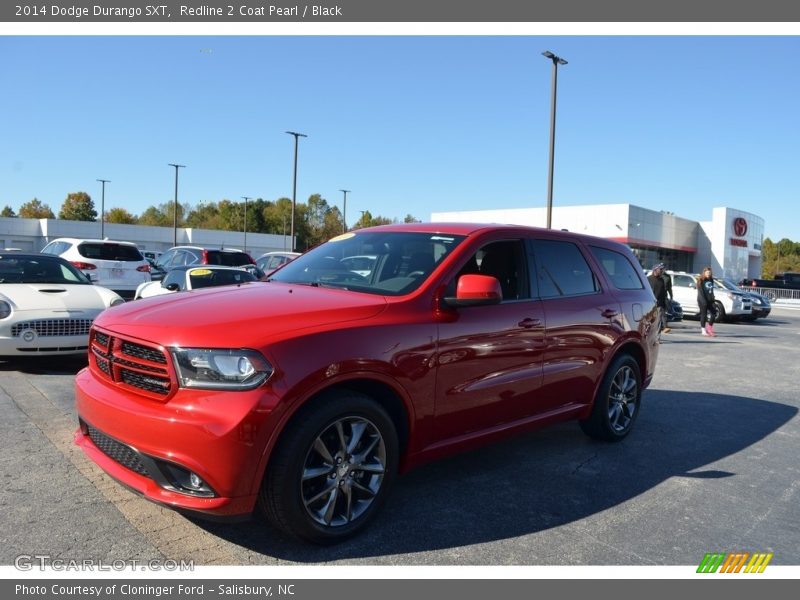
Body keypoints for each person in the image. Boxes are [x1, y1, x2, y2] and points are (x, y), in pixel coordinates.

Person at [647, 263, 670, 334]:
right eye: (660, 269)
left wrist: (665, 303)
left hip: (659, 304)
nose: (662, 271)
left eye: (662, 269)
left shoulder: (661, 280)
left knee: (658, 322)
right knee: (649, 322)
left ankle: (657, 337)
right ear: (655, 270)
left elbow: (663, 293)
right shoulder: (648, 279)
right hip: (649, 305)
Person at [697, 266, 717, 337]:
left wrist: (713, 299)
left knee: (714, 313)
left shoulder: (711, 280)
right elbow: (700, 292)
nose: (708, 274)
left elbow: (711, 290)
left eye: (709, 272)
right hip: (702, 300)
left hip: (710, 300)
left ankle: (709, 329)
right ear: (704, 273)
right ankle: (703, 330)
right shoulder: (701, 280)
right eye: (707, 272)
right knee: (704, 315)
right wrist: (703, 301)